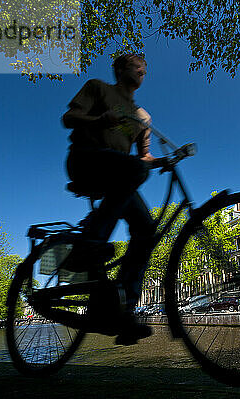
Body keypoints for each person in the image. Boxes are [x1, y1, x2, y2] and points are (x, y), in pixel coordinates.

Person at [62, 53, 165, 345]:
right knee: (132, 171)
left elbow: (143, 157)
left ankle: (123, 310)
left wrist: (166, 160)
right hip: (85, 160)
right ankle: (89, 245)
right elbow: (68, 118)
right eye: (136, 64)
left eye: (145, 66)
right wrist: (100, 119)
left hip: (119, 173)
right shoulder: (98, 88)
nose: (143, 69)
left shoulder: (142, 116)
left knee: (146, 230)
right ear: (120, 69)